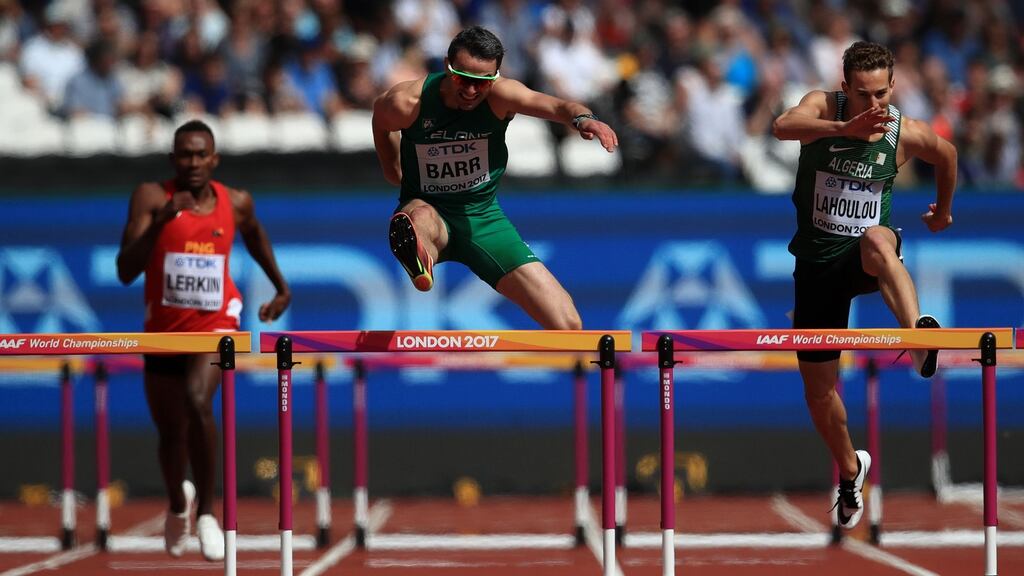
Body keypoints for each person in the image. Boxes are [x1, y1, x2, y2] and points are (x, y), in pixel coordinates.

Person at [773, 41, 956, 529]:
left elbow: (947, 153)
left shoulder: (902, 132)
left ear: (892, 87)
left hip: (864, 257)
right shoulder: (822, 107)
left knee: (879, 239)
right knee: (818, 392)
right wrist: (842, 128)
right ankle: (851, 470)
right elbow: (781, 126)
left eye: (880, 94)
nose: (872, 106)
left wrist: (942, 210)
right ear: (845, 87)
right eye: (861, 94)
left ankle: (916, 337)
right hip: (816, 268)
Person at [116, 120, 291, 560]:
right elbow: (125, 270)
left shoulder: (236, 201)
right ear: (173, 158)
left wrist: (280, 287)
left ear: (214, 159)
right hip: (163, 331)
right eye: (184, 155)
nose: (193, 162)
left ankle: (209, 513)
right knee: (169, 433)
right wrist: (160, 223)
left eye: (200, 155)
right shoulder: (151, 197)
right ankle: (179, 505)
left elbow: (255, 235)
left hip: (217, 323)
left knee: (197, 401)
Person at [371, 25, 618, 329]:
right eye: (464, 78)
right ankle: (422, 258)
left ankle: (424, 255)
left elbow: (558, 105)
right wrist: (390, 165)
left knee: (569, 326)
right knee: (418, 218)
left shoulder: (501, 95)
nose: (471, 91)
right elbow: (380, 121)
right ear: (448, 66)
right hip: (429, 206)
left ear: (496, 76)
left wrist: (584, 119)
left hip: (483, 218)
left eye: (483, 82)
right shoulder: (408, 102)